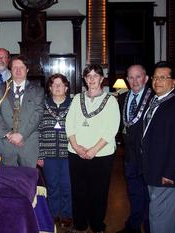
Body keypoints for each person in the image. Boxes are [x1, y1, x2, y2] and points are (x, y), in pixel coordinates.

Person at [65, 64, 120, 233]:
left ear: (102, 79)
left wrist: (94, 150)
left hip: (102, 154)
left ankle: (97, 225)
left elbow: (112, 128)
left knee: (99, 192)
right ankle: (80, 224)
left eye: (96, 76)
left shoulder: (111, 100)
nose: (92, 79)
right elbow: (70, 124)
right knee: (79, 191)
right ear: (84, 79)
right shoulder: (76, 99)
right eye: (88, 76)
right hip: (76, 153)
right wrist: (76, 146)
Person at [141, 61, 175, 233]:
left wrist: (170, 173)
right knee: (167, 217)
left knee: (158, 218)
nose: (158, 81)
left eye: (163, 77)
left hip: (166, 175)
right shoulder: (155, 101)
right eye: (155, 77)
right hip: (153, 170)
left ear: (174, 81)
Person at [117, 65, 153, 233]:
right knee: (134, 194)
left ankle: (148, 227)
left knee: (149, 196)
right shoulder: (122, 98)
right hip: (129, 157)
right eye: (130, 77)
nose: (134, 81)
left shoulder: (154, 98)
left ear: (146, 78)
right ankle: (133, 227)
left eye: (138, 77)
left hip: (149, 158)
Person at [0, 55, 44, 167]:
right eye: (15, 67)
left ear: (27, 70)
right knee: (7, 181)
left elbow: (38, 115)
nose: (18, 70)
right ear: (10, 70)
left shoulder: (38, 90)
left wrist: (21, 135)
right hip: (6, 144)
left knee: (27, 181)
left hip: (28, 144)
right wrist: (9, 134)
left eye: (22, 67)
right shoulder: (0, 88)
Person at [38, 74, 73, 228]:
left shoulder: (74, 105)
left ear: (66, 88)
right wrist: (39, 154)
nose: (57, 87)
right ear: (50, 88)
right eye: (54, 85)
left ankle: (66, 215)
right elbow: (37, 130)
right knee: (52, 187)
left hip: (69, 153)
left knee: (67, 186)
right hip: (48, 154)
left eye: (61, 84)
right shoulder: (42, 105)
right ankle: (52, 215)